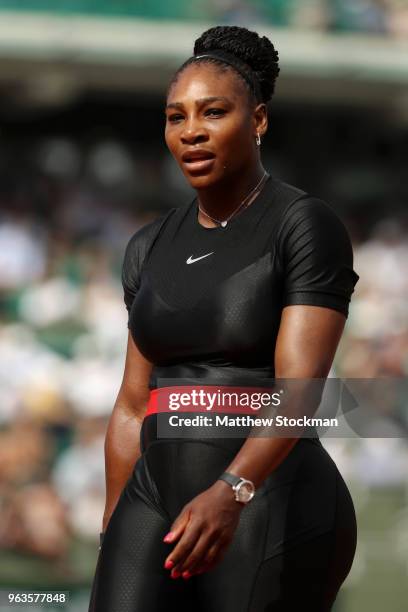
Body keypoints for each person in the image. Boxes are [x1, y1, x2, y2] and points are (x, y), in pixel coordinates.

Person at [88, 25, 360, 612]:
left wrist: (232, 491)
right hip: (154, 496)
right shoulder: (147, 245)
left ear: (258, 120)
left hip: (269, 497)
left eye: (213, 112)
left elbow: (300, 389)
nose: (191, 132)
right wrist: (114, 527)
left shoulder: (302, 225)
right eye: (175, 117)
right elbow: (134, 404)